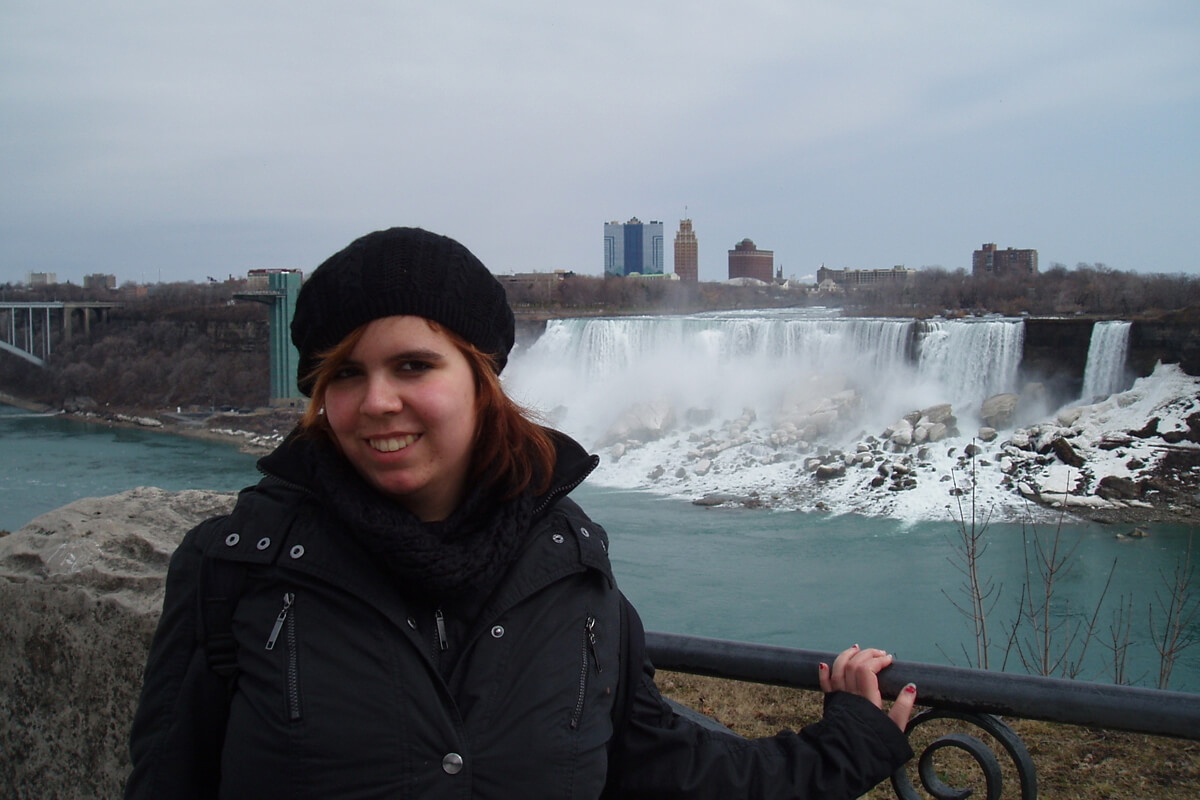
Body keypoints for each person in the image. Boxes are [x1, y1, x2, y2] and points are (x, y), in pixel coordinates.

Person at [125, 227, 915, 799]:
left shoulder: (571, 575)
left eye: (413, 366)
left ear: (483, 380)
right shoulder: (238, 569)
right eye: (344, 375)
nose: (376, 402)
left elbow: (672, 771)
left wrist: (848, 745)